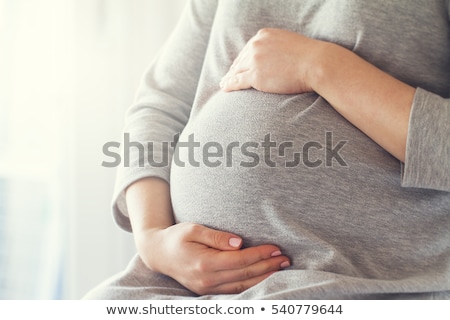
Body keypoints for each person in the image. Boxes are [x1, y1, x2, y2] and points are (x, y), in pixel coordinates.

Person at [84, 0, 450, 299]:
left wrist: (320, 66)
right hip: (182, 283)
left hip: (373, 281)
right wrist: (153, 240)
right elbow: (159, 105)